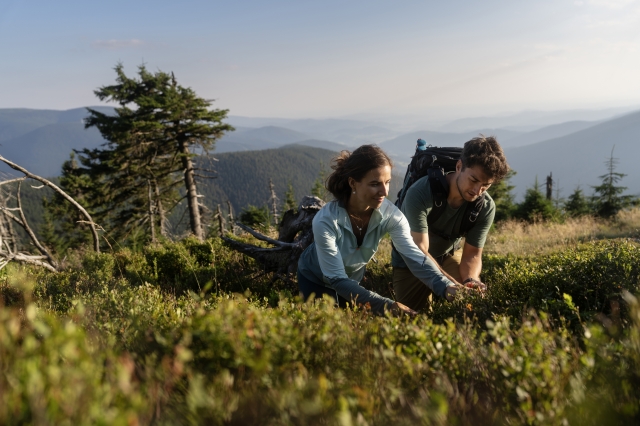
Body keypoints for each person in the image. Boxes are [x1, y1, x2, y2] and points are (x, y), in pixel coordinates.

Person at [297, 144, 469, 315]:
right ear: (353, 183)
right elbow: (337, 279)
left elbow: (414, 256)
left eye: (387, 182)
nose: (385, 192)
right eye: (374, 184)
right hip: (315, 279)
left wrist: (446, 287)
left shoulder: (391, 215)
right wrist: (388, 306)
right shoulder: (326, 220)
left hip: (351, 282)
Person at [391, 136, 510, 311]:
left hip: (447, 254)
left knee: (470, 304)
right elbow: (418, 251)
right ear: (459, 166)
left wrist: (471, 280)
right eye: (474, 180)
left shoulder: (484, 207)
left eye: (486, 185)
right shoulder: (421, 192)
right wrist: (447, 284)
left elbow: (472, 254)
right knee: (410, 319)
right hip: (411, 261)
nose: (477, 191)